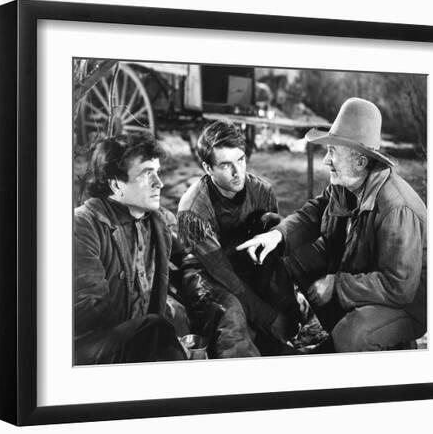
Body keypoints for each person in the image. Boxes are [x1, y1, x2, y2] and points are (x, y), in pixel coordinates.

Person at [237, 98, 427, 352]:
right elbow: (313, 213)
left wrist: (337, 284)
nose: (326, 160)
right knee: (285, 257)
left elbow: (399, 287)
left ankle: (377, 346)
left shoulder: (397, 208)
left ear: (360, 161)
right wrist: (276, 236)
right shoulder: (347, 183)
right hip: (357, 273)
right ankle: (297, 331)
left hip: (405, 303)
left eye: (332, 152)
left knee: (354, 333)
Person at [177, 121, 302, 358]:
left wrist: (284, 303)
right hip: (205, 273)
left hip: (244, 264)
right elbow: (221, 272)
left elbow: (275, 255)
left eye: (241, 160)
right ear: (208, 168)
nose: (238, 172)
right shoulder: (193, 208)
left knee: (272, 222)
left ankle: (276, 342)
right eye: (226, 165)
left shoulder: (262, 191)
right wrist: (267, 316)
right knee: (232, 312)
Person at [73, 132, 190, 365]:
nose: (160, 183)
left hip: (143, 335)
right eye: (148, 174)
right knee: (156, 327)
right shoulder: (83, 224)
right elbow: (88, 309)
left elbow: (188, 260)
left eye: (158, 172)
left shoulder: (158, 220)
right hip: (93, 347)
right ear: (116, 184)